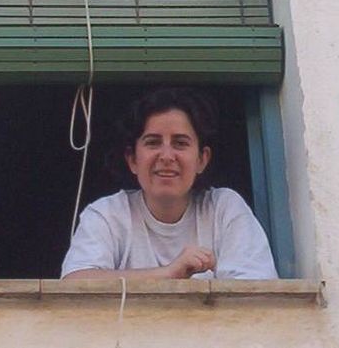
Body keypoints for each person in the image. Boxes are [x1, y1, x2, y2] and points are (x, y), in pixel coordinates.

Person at [61, 88, 278, 280]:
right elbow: (75, 283)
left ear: (202, 159)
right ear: (132, 159)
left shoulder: (225, 208)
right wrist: (169, 273)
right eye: (153, 142)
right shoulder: (107, 214)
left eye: (180, 143)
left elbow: (256, 292)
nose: (166, 156)